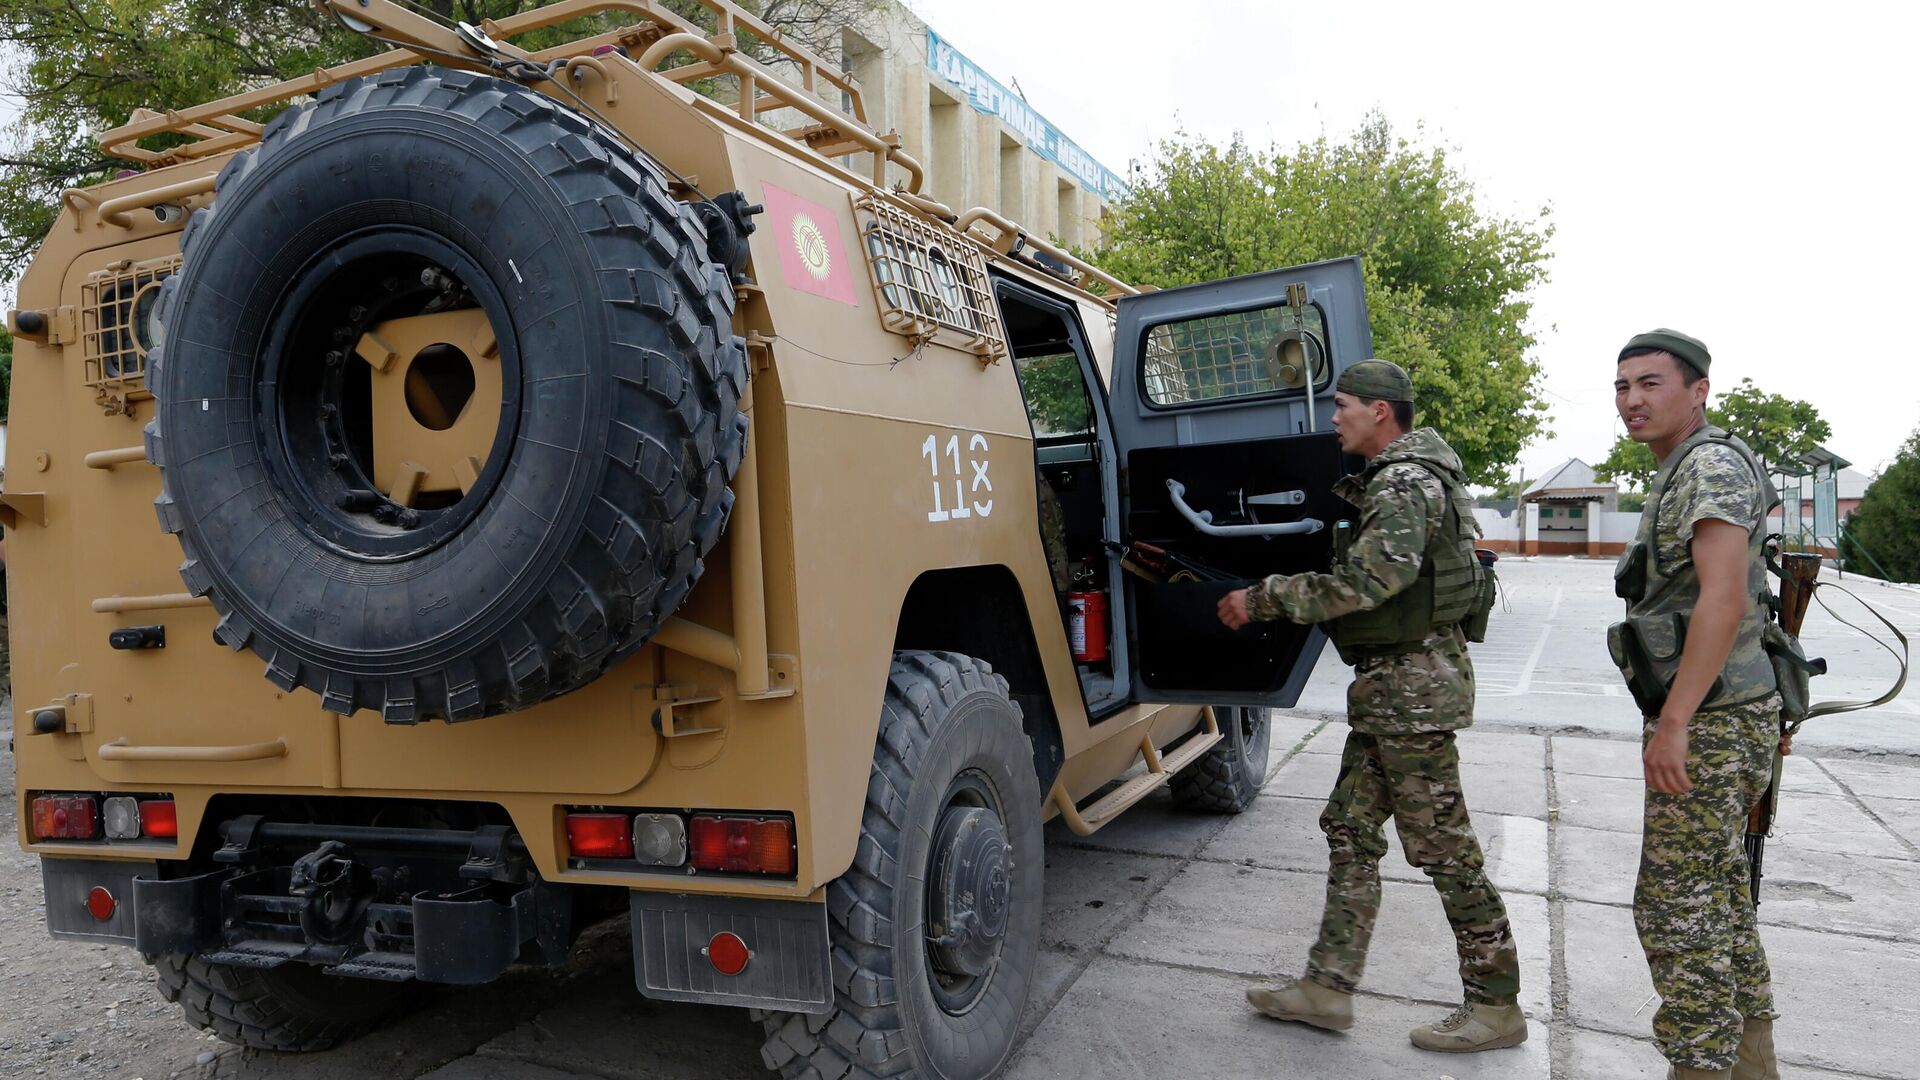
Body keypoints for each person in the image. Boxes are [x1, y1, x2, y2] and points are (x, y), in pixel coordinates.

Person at [1218, 359, 1524, 1054]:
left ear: (1381, 412)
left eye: (1343, 406)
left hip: (1413, 695)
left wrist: (1262, 598)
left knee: (1445, 850)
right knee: (1349, 828)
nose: (1334, 419)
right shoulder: (1408, 476)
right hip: (1392, 691)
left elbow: (1372, 579)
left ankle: (1496, 1004)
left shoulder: (1406, 481)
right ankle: (1327, 988)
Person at [1609, 329, 1780, 1080]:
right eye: (1622, 387)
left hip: (1711, 720)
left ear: (1698, 390)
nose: (1633, 401)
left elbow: (1723, 596)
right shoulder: (1690, 466)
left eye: (1650, 384)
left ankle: (1701, 1067)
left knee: (1675, 906)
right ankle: (1751, 1062)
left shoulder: (1708, 467)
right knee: (1720, 895)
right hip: (1731, 712)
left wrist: (1674, 723)